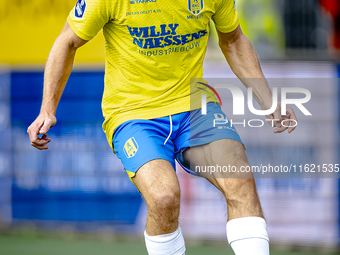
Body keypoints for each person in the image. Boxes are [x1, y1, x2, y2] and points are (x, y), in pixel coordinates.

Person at [27, 0, 297, 254]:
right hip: (133, 115)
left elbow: (234, 39)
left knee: (240, 181)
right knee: (164, 197)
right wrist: (47, 110)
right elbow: (67, 41)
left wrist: (267, 100)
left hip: (195, 106)